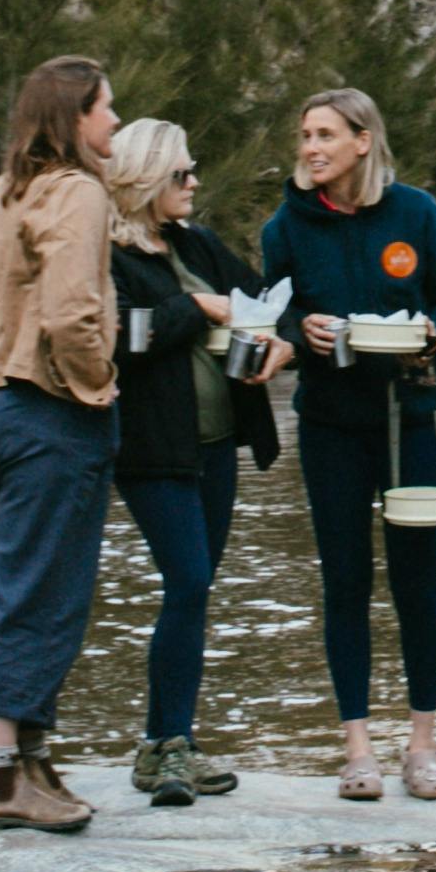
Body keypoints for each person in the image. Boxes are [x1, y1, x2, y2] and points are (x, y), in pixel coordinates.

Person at [263, 86, 436, 802]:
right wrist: (299, 329)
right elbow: (271, 312)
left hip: (414, 416)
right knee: (345, 581)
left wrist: (435, 332)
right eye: (305, 136)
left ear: (362, 141)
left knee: (417, 581)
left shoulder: (416, 212)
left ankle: (423, 747)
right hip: (331, 424)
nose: (311, 148)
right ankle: (357, 751)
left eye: (325, 135)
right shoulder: (286, 225)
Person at [0, 54, 122, 832]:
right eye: (105, 108)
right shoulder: (79, 191)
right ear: (74, 117)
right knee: (44, 594)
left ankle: (27, 760)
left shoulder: (5, 188)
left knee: (6, 587)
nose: (114, 122)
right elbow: (69, 311)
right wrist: (98, 383)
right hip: (46, 411)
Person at [100, 117, 288, 807]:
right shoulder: (108, 256)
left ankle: (174, 738)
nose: (194, 182)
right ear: (147, 177)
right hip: (152, 447)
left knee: (197, 588)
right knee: (187, 579)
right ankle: (163, 745)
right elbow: (123, 339)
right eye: (182, 173)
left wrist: (281, 343)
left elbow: (261, 298)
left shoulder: (196, 243)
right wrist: (198, 306)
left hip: (215, 444)